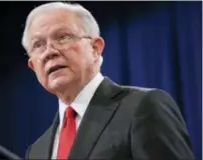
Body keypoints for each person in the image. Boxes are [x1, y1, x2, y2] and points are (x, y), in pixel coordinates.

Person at [21, 2, 195, 160]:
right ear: (32, 66)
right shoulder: (37, 151)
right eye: (38, 45)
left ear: (95, 48)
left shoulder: (143, 107)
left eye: (63, 37)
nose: (49, 52)